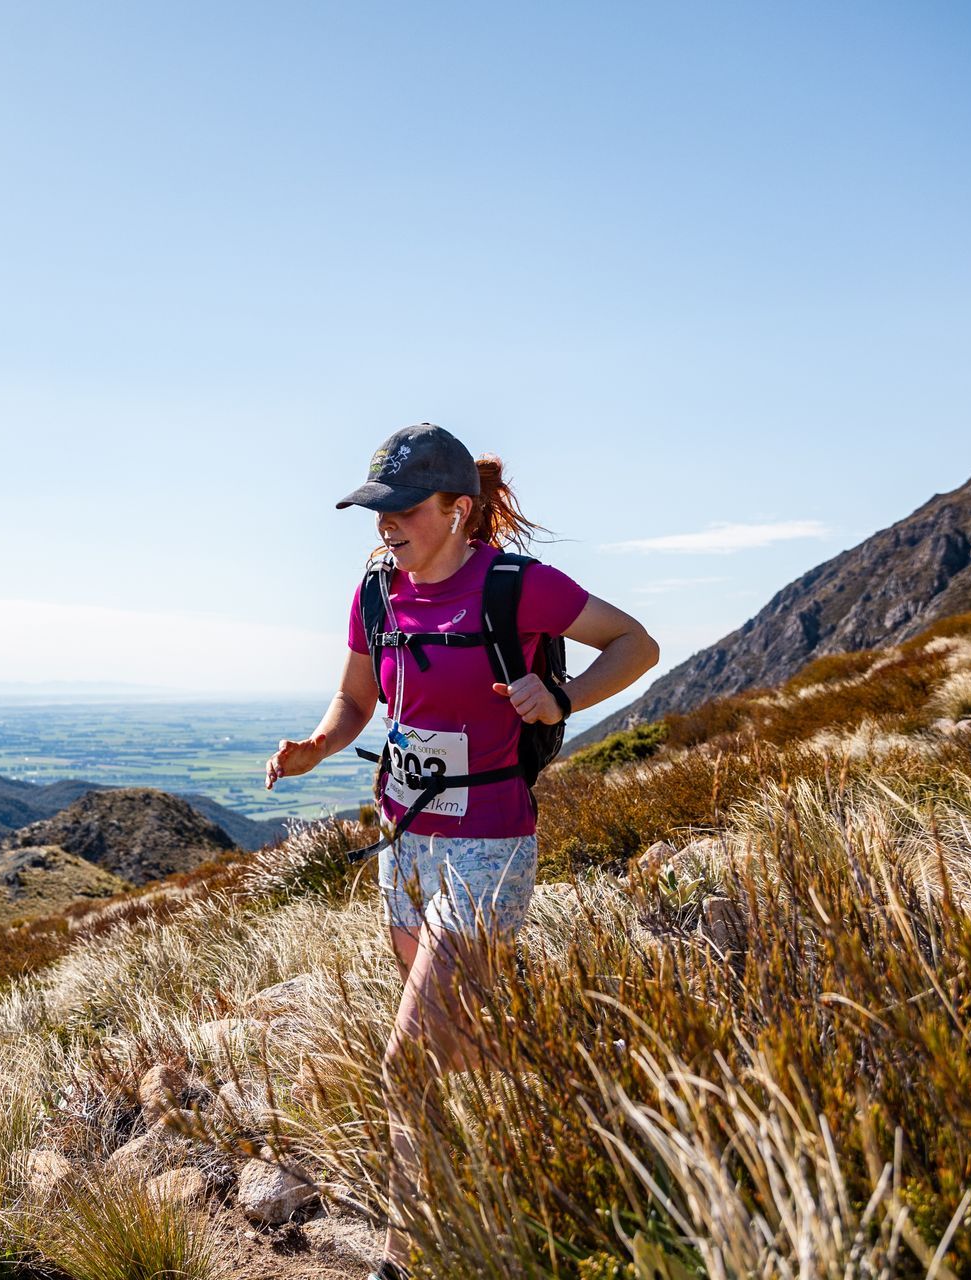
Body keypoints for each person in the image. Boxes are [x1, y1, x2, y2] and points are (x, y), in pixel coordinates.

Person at [263, 423, 658, 1280]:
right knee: (461, 1046)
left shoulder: (516, 587)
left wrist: (563, 694)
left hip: (489, 846)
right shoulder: (375, 590)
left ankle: (409, 1257)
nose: (385, 527)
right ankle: (573, 1140)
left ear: (458, 509)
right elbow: (355, 697)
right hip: (403, 847)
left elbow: (637, 643)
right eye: (376, 512)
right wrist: (316, 747)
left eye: (402, 510)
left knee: (410, 1058)